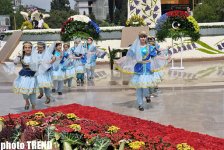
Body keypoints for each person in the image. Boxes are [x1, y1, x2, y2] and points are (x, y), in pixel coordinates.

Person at [117, 31, 158, 111]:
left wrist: (165, 59)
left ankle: (147, 95)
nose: (143, 38)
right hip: (138, 68)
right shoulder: (135, 48)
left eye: (144, 36)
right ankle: (140, 104)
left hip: (147, 69)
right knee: (139, 88)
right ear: (139, 38)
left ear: (146, 38)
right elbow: (129, 57)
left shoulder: (150, 47)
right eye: (141, 37)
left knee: (145, 86)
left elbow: (155, 57)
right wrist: (120, 61)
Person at [13, 41, 38, 110]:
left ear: (31, 48)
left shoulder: (35, 56)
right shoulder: (21, 57)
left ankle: (33, 105)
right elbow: (14, 63)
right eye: (26, 47)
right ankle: (27, 101)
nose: (27, 49)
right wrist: (17, 59)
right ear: (23, 49)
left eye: (29, 47)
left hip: (33, 77)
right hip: (24, 77)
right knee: (25, 93)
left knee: (33, 92)